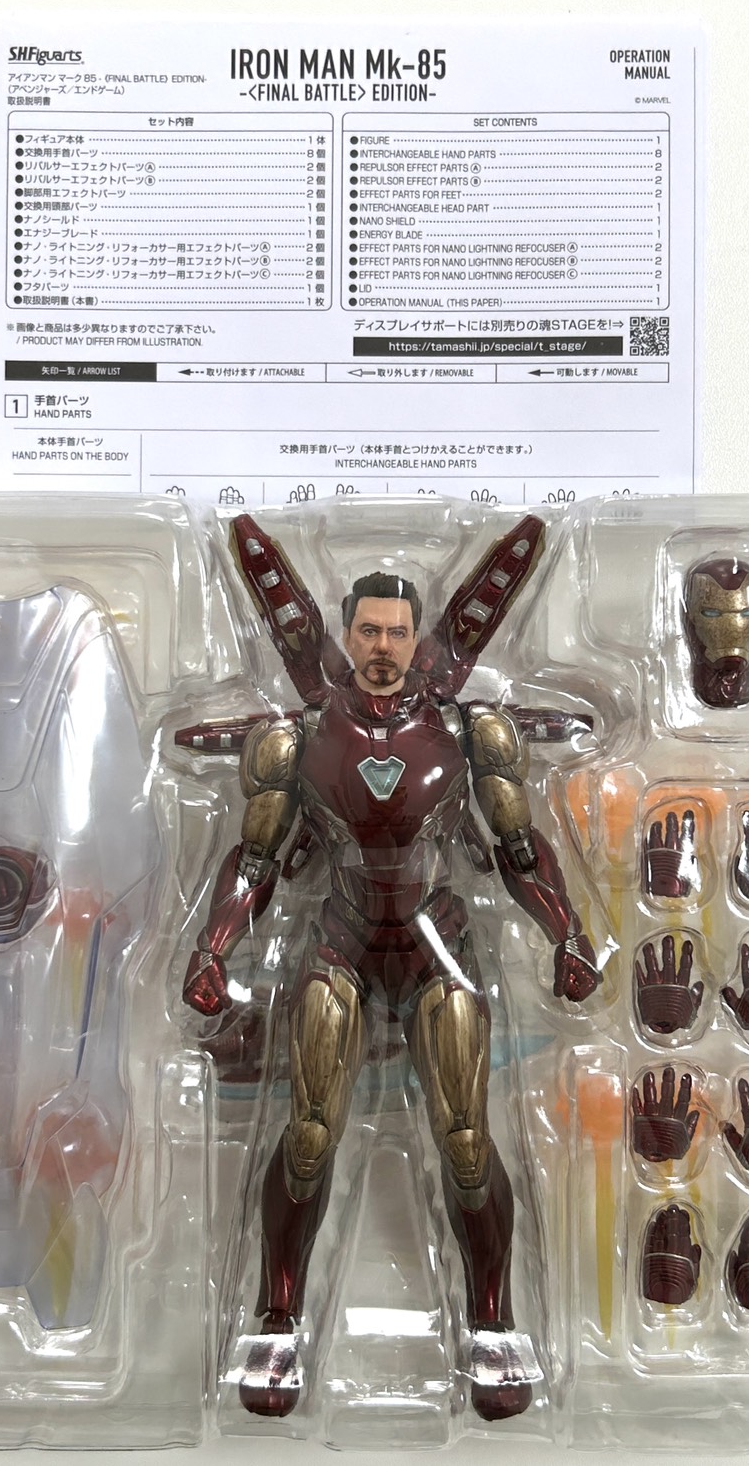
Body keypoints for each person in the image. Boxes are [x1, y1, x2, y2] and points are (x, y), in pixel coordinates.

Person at [182, 516, 600, 1420]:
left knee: (466, 1140)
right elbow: (254, 861)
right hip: (340, 939)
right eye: (368, 630)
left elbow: (519, 850)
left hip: (435, 941)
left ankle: (493, 1328)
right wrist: (213, 948)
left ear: (418, 639)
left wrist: (568, 935)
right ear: (347, 631)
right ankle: (276, 1322)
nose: (382, 647)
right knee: (307, 1136)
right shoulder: (297, 738)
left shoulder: (470, 732)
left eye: (397, 632)